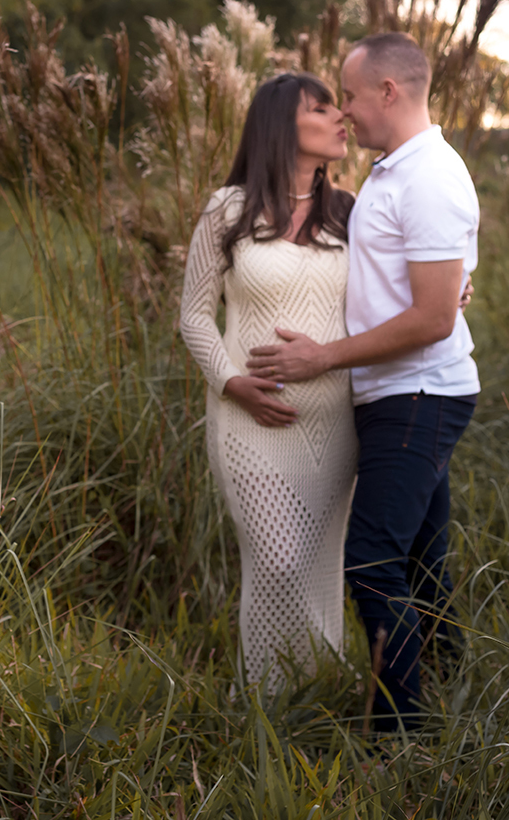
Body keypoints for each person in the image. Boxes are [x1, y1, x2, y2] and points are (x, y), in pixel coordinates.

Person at [246, 32, 479, 732]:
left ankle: (397, 731)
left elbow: (435, 318)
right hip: (397, 393)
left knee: (374, 560)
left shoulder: (430, 175)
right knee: (421, 558)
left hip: (419, 393)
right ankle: (449, 685)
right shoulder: (393, 172)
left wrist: (325, 357)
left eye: (348, 95)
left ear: (388, 91)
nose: (343, 111)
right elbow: (429, 286)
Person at [179, 72, 359, 689]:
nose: (342, 117)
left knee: (317, 562)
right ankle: (263, 699)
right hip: (248, 421)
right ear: (283, 124)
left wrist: (454, 289)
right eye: (323, 107)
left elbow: (402, 294)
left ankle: (318, 691)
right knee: (278, 559)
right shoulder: (228, 208)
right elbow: (195, 315)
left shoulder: (349, 211)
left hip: (336, 423)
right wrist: (233, 383)